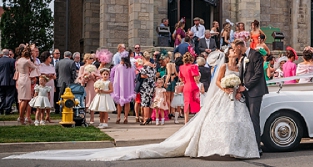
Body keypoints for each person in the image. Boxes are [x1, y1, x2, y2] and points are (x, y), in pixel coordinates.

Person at [7, 48, 261, 161]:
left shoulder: (241, 64)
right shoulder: (225, 65)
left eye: (235, 54)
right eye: (233, 53)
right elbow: (218, 80)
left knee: (233, 123)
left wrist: (236, 87)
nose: (234, 56)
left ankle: (236, 149)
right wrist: (229, 86)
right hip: (227, 94)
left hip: (235, 98)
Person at [234, 38, 268, 156]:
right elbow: (243, 75)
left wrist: (246, 86)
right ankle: (248, 145)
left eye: (234, 48)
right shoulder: (243, 57)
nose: (234, 51)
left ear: (239, 47)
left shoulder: (255, 54)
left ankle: (257, 147)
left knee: (254, 119)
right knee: (247, 119)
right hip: (246, 92)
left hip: (255, 92)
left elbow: (258, 73)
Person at [110, 50, 135, 124]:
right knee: (127, 102)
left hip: (119, 86)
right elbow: (134, 78)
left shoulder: (117, 67)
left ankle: (118, 117)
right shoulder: (131, 68)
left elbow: (112, 76)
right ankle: (125, 117)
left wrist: (113, 83)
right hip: (128, 86)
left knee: (119, 102)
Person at [16, 45, 37, 125]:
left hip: (20, 79)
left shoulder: (19, 60)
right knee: (25, 99)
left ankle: (21, 116)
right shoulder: (27, 61)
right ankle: (21, 117)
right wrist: (34, 59)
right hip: (26, 79)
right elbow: (34, 67)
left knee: (21, 99)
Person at [179, 52, 200, 124]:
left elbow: (181, 78)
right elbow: (196, 78)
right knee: (196, 102)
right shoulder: (193, 66)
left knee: (186, 103)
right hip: (193, 85)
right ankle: (197, 119)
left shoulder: (181, 67)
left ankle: (186, 121)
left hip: (186, 86)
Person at [78, 53, 99, 124]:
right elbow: (80, 78)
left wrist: (94, 77)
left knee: (92, 101)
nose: (92, 60)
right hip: (86, 86)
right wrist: (86, 77)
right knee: (86, 102)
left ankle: (92, 118)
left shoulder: (94, 67)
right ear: (86, 59)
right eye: (90, 58)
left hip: (92, 85)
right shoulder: (82, 67)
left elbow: (98, 76)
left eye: (92, 58)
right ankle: (83, 118)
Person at [38, 51, 56, 123]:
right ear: (46, 58)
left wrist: (52, 76)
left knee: (50, 100)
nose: (51, 58)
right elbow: (40, 74)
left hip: (51, 84)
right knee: (44, 100)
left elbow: (55, 76)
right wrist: (47, 75)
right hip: (44, 85)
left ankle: (48, 116)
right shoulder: (41, 66)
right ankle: (41, 117)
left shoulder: (52, 66)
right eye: (50, 57)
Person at [139, 52, 156, 125]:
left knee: (145, 102)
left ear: (143, 58)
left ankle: (145, 119)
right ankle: (149, 117)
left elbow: (143, 76)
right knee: (150, 101)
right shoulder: (153, 66)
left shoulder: (144, 67)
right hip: (152, 85)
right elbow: (154, 74)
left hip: (145, 85)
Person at [0, 49, 16, 115]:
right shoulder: (12, 60)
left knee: (2, 96)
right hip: (10, 81)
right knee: (9, 96)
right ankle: (7, 109)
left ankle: (1, 109)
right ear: (8, 54)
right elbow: (14, 71)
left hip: (0, 81)